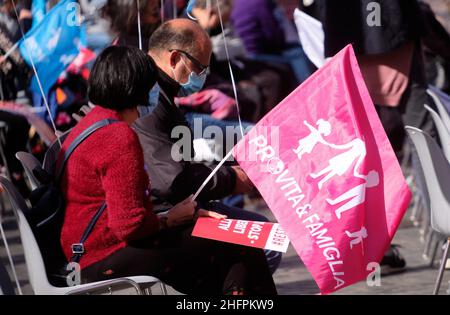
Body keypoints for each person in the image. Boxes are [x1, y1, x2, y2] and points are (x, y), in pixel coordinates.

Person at [59, 46, 277, 295]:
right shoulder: (118, 136)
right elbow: (128, 226)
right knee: (240, 241)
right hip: (102, 257)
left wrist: (174, 217)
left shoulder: (93, 122)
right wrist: (169, 220)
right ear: (136, 87)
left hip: (88, 251)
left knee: (226, 247)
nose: (155, 93)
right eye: (151, 86)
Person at [134, 19, 282, 272]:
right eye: (200, 67)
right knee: (266, 243)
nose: (202, 76)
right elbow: (170, 182)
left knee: (266, 234)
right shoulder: (151, 97)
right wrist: (231, 179)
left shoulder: (158, 89)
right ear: (174, 59)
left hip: (175, 206)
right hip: (161, 215)